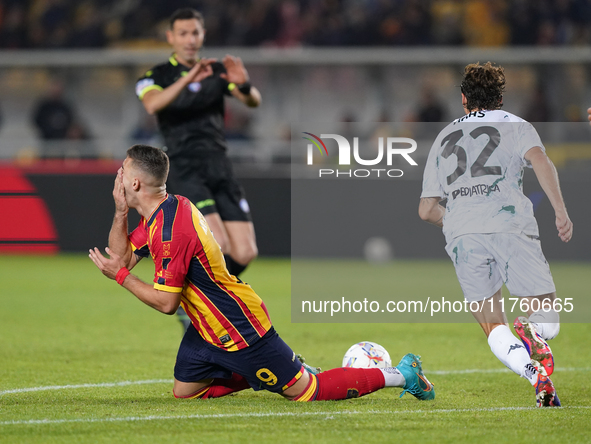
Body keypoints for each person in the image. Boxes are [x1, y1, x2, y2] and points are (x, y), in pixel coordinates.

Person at [88, 144, 436, 403]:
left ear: (135, 183)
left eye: (122, 170)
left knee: (307, 391)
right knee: (185, 392)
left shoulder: (170, 230)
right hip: (206, 326)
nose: (117, 174)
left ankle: (400, 374)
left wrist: (121, 277)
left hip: (238, 326)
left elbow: (165, 303)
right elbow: (121, 254)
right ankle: (265, 373)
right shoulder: (166, 210)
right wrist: (120, 212)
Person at [419, 62, 573, 408]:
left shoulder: (443, 136)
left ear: (463, 99)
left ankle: (535, 376)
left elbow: (426, 210)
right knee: (546, 316)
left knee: (492, 324)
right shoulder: (518, 126)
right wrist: (560, 212)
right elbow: (542, 164)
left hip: (462, 236)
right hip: (510, 225)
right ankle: (534, 331)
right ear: (501, 98)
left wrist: (459, 219)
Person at [135, 8, 261, 329]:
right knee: (218, 243)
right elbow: (153, 104)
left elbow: (252, 101)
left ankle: (192, 299)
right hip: (185, 166)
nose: (190, 40)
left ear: (203, 35)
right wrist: (189, 78)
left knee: (245, 252)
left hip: (219, 165)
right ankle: (206, 312)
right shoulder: (156, 76)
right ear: (171, 37)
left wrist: (244, 85)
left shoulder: (217, 71)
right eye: (183, 34)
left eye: (195, 33)